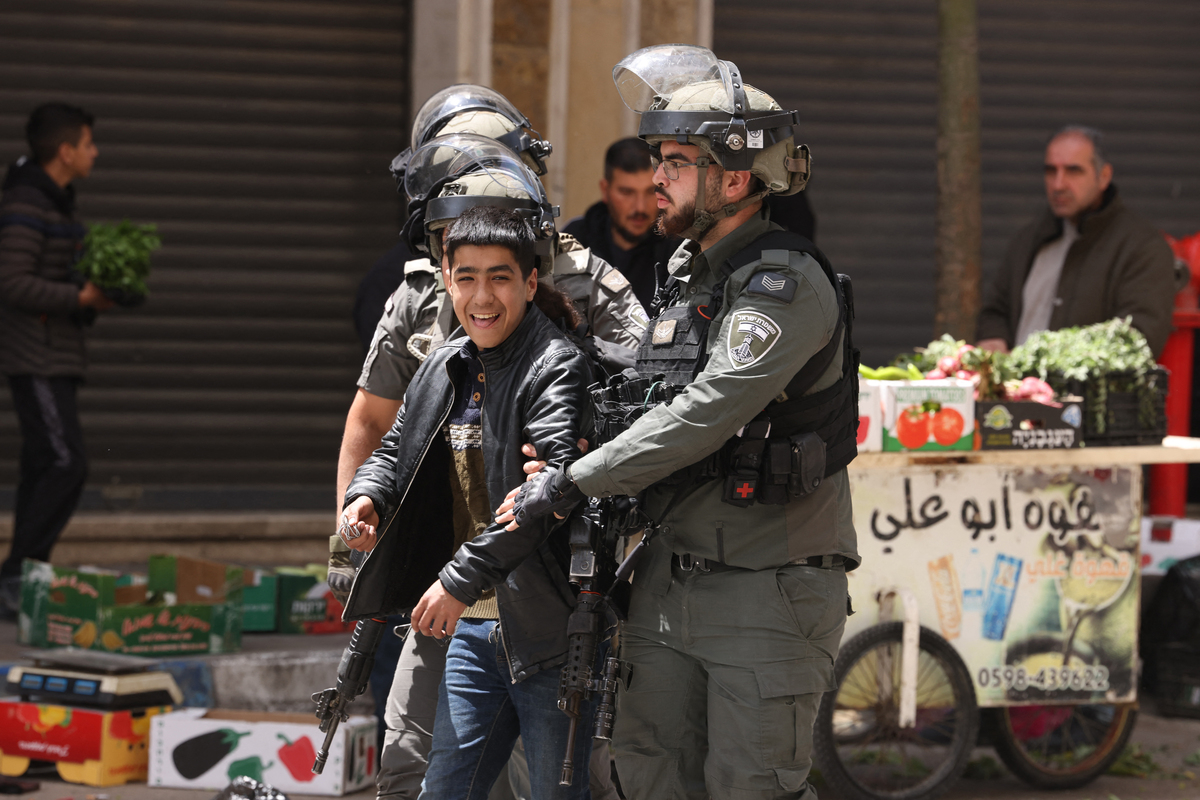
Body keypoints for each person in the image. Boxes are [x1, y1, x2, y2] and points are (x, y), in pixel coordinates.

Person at [497, 44, 860, 800]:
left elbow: (706, 412)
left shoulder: (784, 285)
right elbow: (649, 401)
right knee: (651, 780)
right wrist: (578, 444)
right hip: (667, 585)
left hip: (765, 592)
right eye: (657, 158)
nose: (655, 177)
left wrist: (571, 483)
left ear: (735, 178)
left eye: (674, 161)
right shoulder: (689, 273)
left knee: (751, 787)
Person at [341, 130, 629, 800]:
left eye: (500, 278)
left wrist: (457, 579)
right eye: (466, 278)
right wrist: (367, 497)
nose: (482, 297)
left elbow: (547, 498)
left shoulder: (556, 367)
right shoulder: (447, 360)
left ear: (532, 281)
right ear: (445, 279)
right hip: (475, 631)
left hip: (551, 631)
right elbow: (396, 445)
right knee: (446, 789)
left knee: (558, 792)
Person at [0, 102, 110, 617]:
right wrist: (79, 299)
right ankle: (20, 571)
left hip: (55, 351)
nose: (94, 152)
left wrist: (91, 294)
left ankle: (23, 579)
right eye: (88, 144)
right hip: (35, 354)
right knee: (66, 463)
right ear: (65, 151)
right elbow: (13, 281)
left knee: (44, 466)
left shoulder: (54, 200)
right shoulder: (29, 201)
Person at [976, 125, 1176, 357]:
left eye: (1073, 171)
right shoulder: (1029, 239)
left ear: (1103, 177)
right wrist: (994, 340)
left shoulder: (1141, 246)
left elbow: (1139, 338)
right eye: (1051, 171)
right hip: (1018, 390)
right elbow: (995, 312)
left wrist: (1056, 360)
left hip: (1088, 392)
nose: (1058, 184)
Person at [564, 137, 675, 310]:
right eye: (626, 192)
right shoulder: (575, 241)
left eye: (650, 191)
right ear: (605, 190)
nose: (640, 207)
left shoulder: (678, 249)